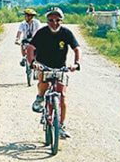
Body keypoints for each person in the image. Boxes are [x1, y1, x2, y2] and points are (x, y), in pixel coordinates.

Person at [26, 7, 81, 137]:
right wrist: (33, 63)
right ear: (47, 21)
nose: (54, 23)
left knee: (62, 96)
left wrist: (76, 63)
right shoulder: (42, 32)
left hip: (60, 67)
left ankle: (61, 125)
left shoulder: (66, 33)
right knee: (43, 83)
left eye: (57, 20)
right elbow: (30, 48)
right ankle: (40, 98)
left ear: (61, 20)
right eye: (51, 20)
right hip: (43, 65)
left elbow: (77, 48)